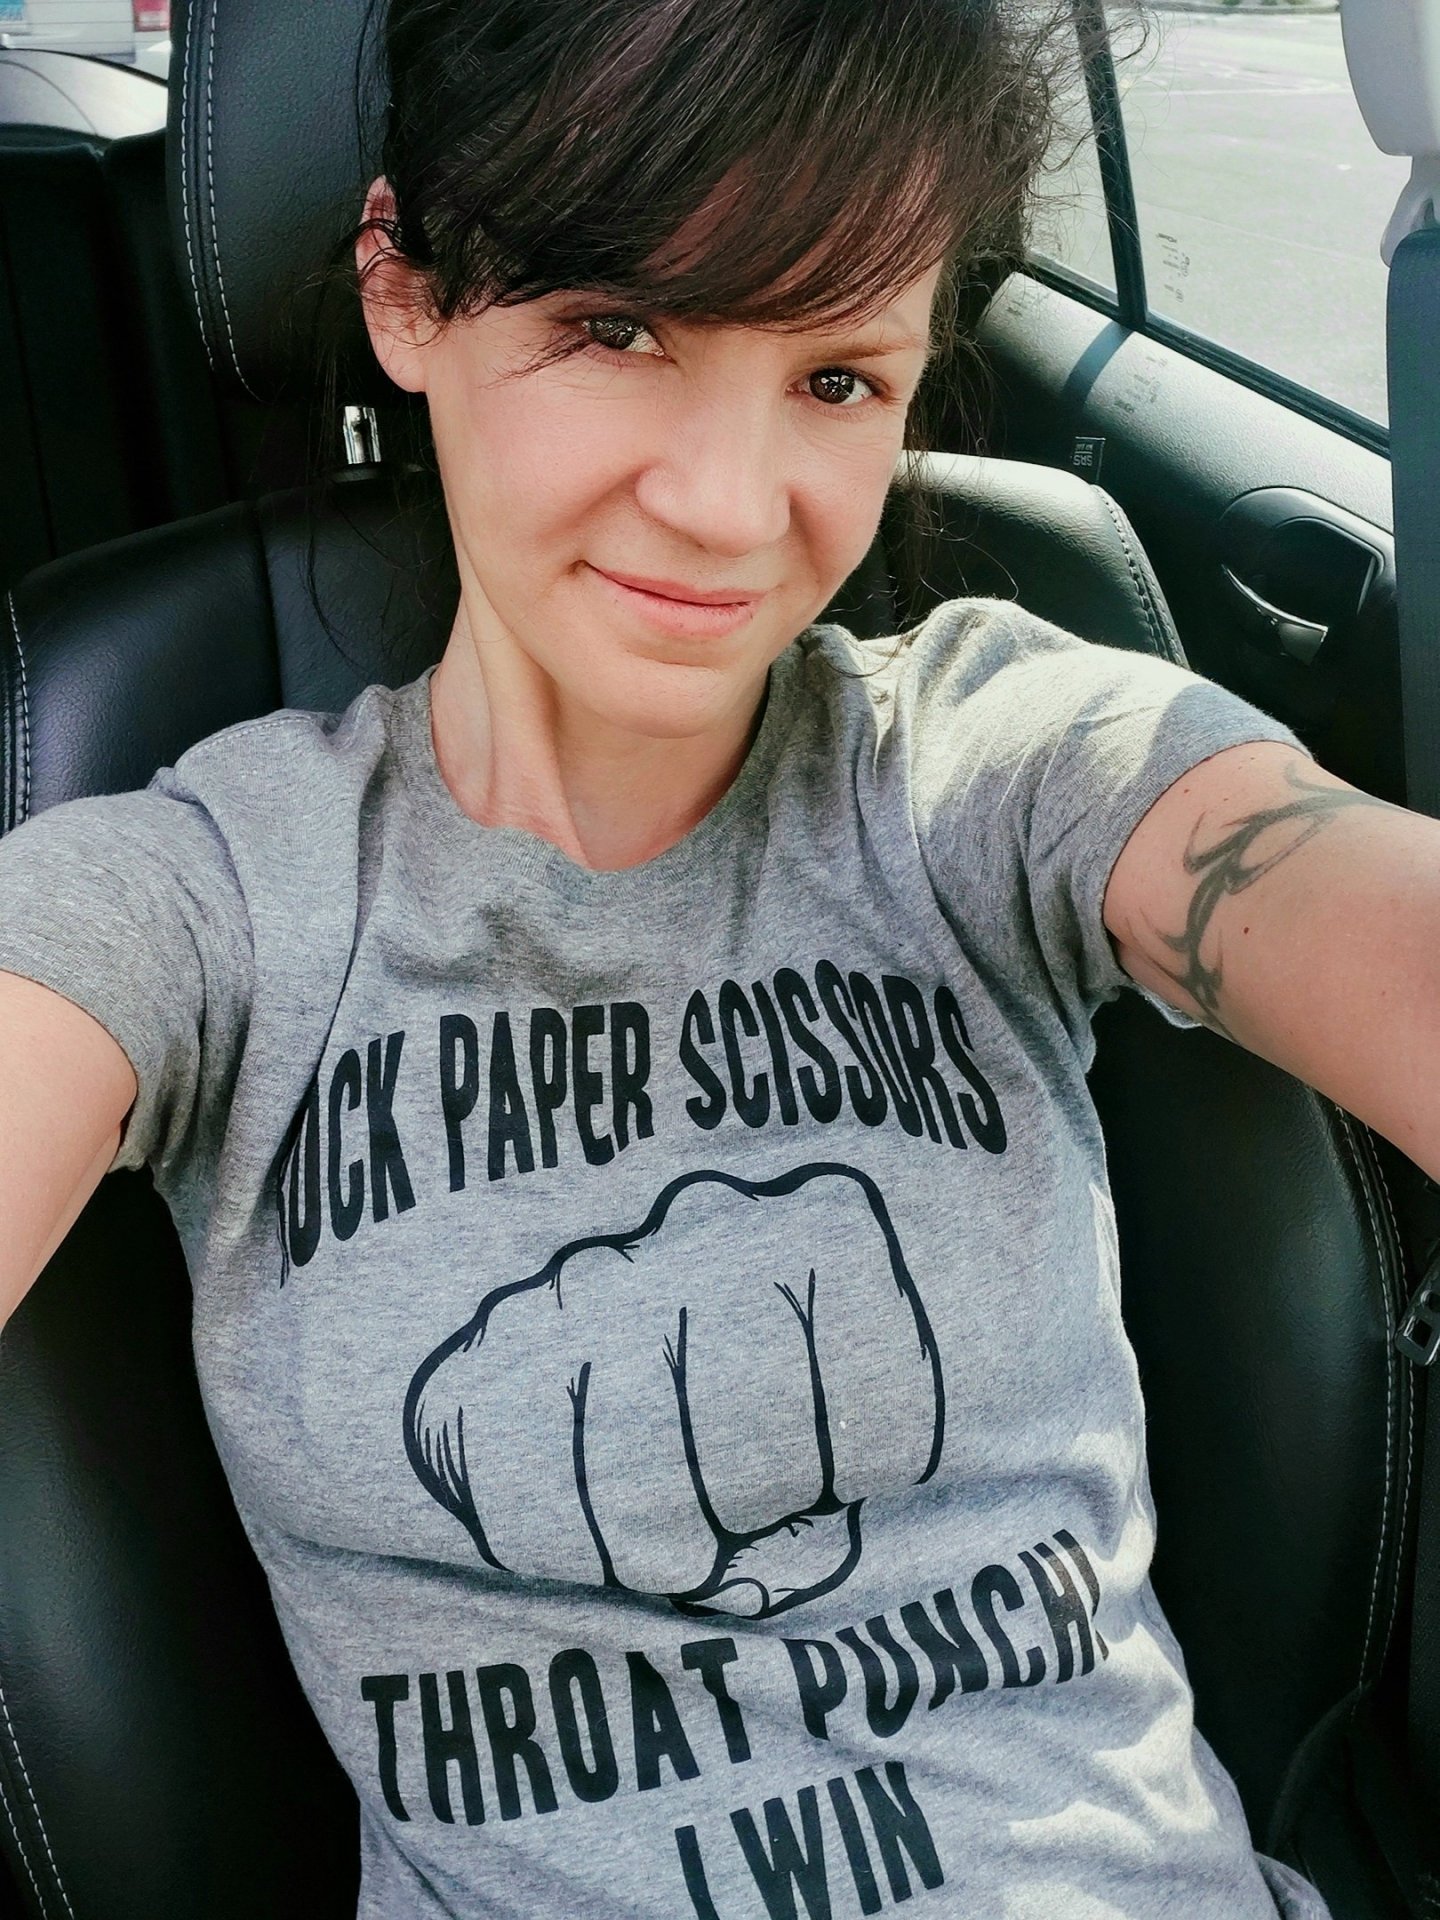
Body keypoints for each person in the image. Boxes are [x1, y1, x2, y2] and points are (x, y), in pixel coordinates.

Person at [4, 1, 1433, 1914]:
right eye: (617, 331)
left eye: (836, 378)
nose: (728, 509)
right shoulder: (204, 893)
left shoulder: (998, 758)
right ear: (405, 288)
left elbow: (1340, 898)